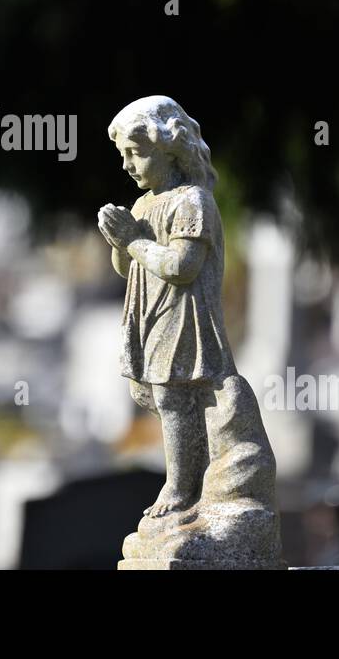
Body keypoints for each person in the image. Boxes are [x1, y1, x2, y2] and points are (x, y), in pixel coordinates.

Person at [97, 96, 235, 517]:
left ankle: (181, 486)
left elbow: (181, 265)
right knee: (165, 400)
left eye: (136, 153)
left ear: (169, 149)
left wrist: (133, 241)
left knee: (175, 397)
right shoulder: (143, 205)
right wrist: (119, 239)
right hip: (150, 315)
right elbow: (126, 267)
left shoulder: (192, 201)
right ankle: (193, 480)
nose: (127, 165)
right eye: (123, 155)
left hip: (183, 316)